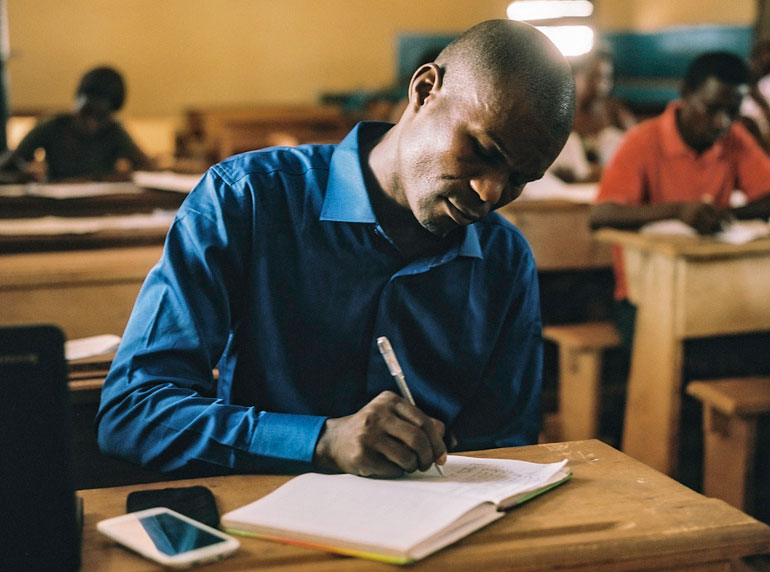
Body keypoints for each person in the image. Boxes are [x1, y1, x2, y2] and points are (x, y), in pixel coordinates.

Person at [96, 20, 575, 479]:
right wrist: (320, 442)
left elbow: (506, 449)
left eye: (519, 178)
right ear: (425, 90)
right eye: (483, 150)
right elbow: (134, 412)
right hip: (270, 516)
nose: (491, 193)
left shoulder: (505, 258)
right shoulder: (247, 200)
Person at [590, 51, 770, 349]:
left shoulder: (734, 139)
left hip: (719, 287)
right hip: (645, 294)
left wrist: (726, 215)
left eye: (732, 112)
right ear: (686, 95)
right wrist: (679, 212)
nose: (721, 122)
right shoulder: (642, 141)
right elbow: (600, 215)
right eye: (711, 109)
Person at [0, 66, 152, 183]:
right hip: (56, 206)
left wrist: (121, 177)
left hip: (100, 204)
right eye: (87, 113)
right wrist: (21, 176)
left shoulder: (114, 131)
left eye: (101, 118)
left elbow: (147, 168)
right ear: (76, 102)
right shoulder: (52, 125)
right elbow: (8, 166)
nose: (91, 124)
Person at [550, 50, 635, 183]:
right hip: (565, 188)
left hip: (611, 181)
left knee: (611, 137)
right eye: (594, 76)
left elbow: (637, 148)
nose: (601, 84)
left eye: (606, 78)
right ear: (576, 76)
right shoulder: (559, 112)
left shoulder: (615, 111)